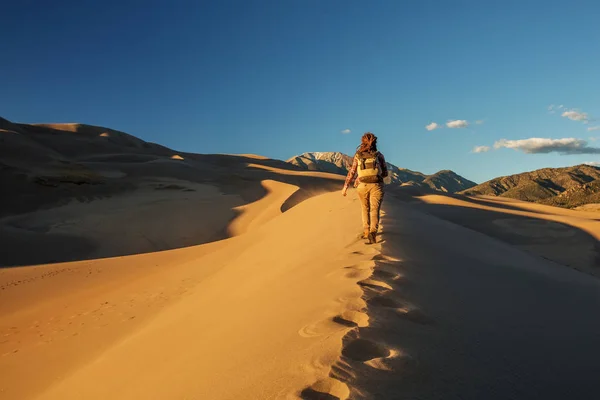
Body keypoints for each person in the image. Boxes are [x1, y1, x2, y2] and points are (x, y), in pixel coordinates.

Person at [342, 132, 388, 244]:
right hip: (376, 185)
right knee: (374, 209)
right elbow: (385, 173)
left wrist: (345, 187)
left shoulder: (358, 155)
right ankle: (373, 232)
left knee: (365, 208)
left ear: (362, 142)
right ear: (375, 142)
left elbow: (352, 172)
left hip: (362, 186)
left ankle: (366, 231)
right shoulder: (379, 155)